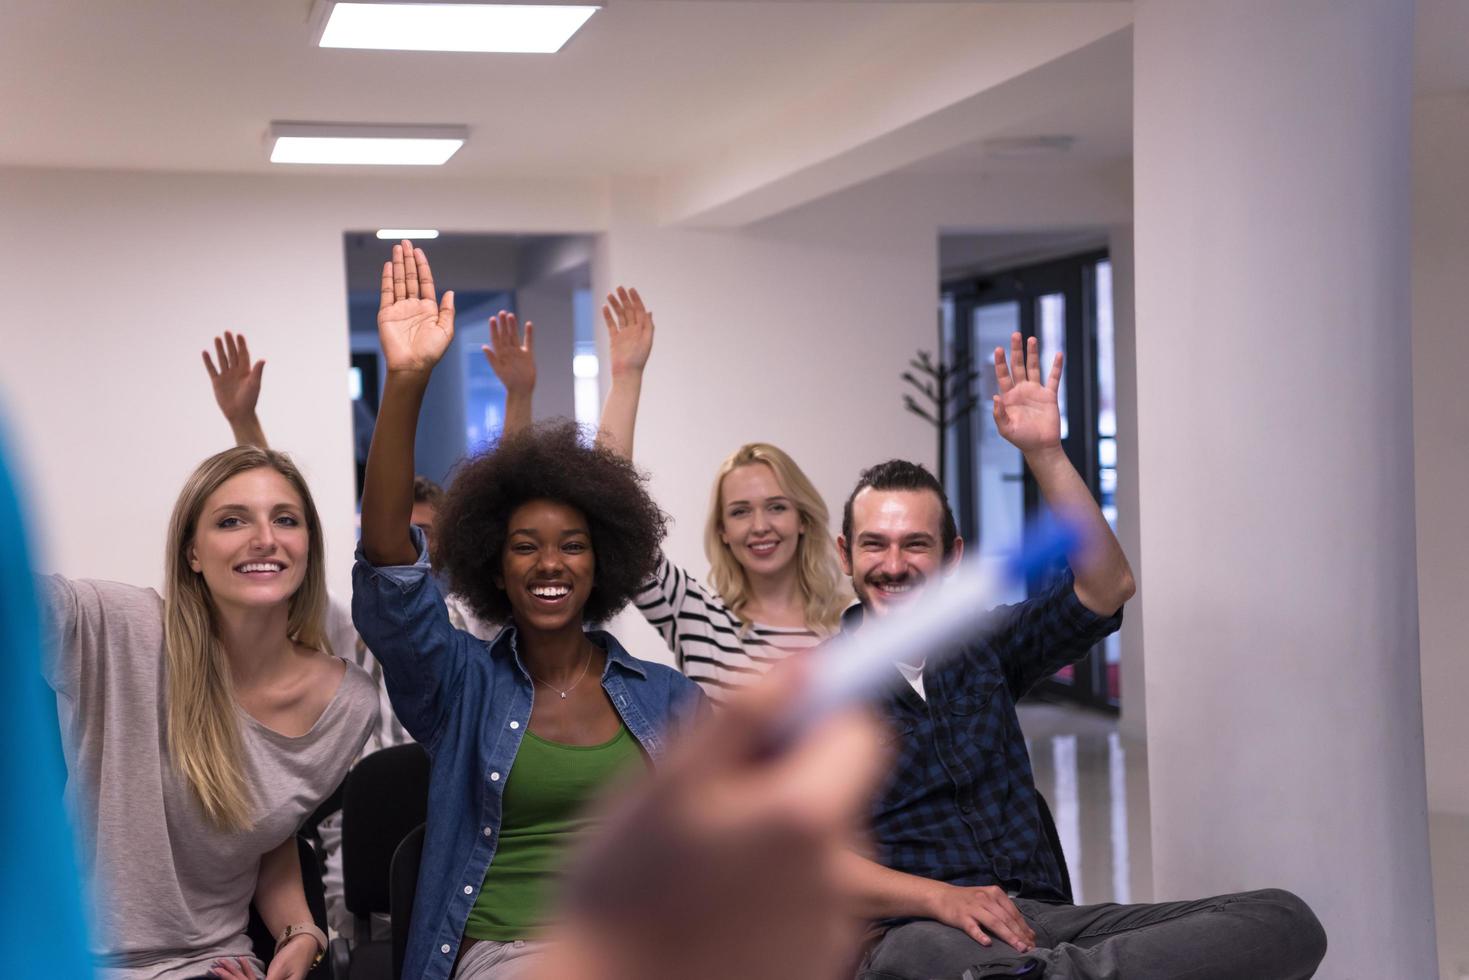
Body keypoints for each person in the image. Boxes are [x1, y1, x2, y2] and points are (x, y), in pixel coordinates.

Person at [838, 334, 1327, 979]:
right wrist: (943, 899)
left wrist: (1045, 453)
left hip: (1044, 919)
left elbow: (1105, 588)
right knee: (931, 961)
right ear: (844, 555)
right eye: (875, 545)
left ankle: (1048, 975)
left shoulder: (984, 645)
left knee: (1285, 921)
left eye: (915, 545)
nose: (894, 566)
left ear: (951, 557)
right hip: (920, 933)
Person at [351, 241, 705, 980]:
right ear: (492, 565)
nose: (550, 563)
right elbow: (389, 559)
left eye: (572, 545)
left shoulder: (670, 699)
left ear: (601, 559)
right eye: (524, 547)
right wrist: (408, 379)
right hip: (509, 956)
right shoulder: (462, 688)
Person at [42, 445, 378, 980]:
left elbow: (262, 837)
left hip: (215, 966)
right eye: (231, 521)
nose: (265, 538)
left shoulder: (345, 704)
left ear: (307, 544)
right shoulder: (116, 627)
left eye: (285, 520)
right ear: (192, 553)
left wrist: (301, 932)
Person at [483, 287, 850, 703]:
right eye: (740, 512)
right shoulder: (700, 616)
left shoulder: (851, 624)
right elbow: (610, 505)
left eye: (777, 507)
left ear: (803, 518)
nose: (760, 526)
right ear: (723, 530)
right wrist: (626, 378)